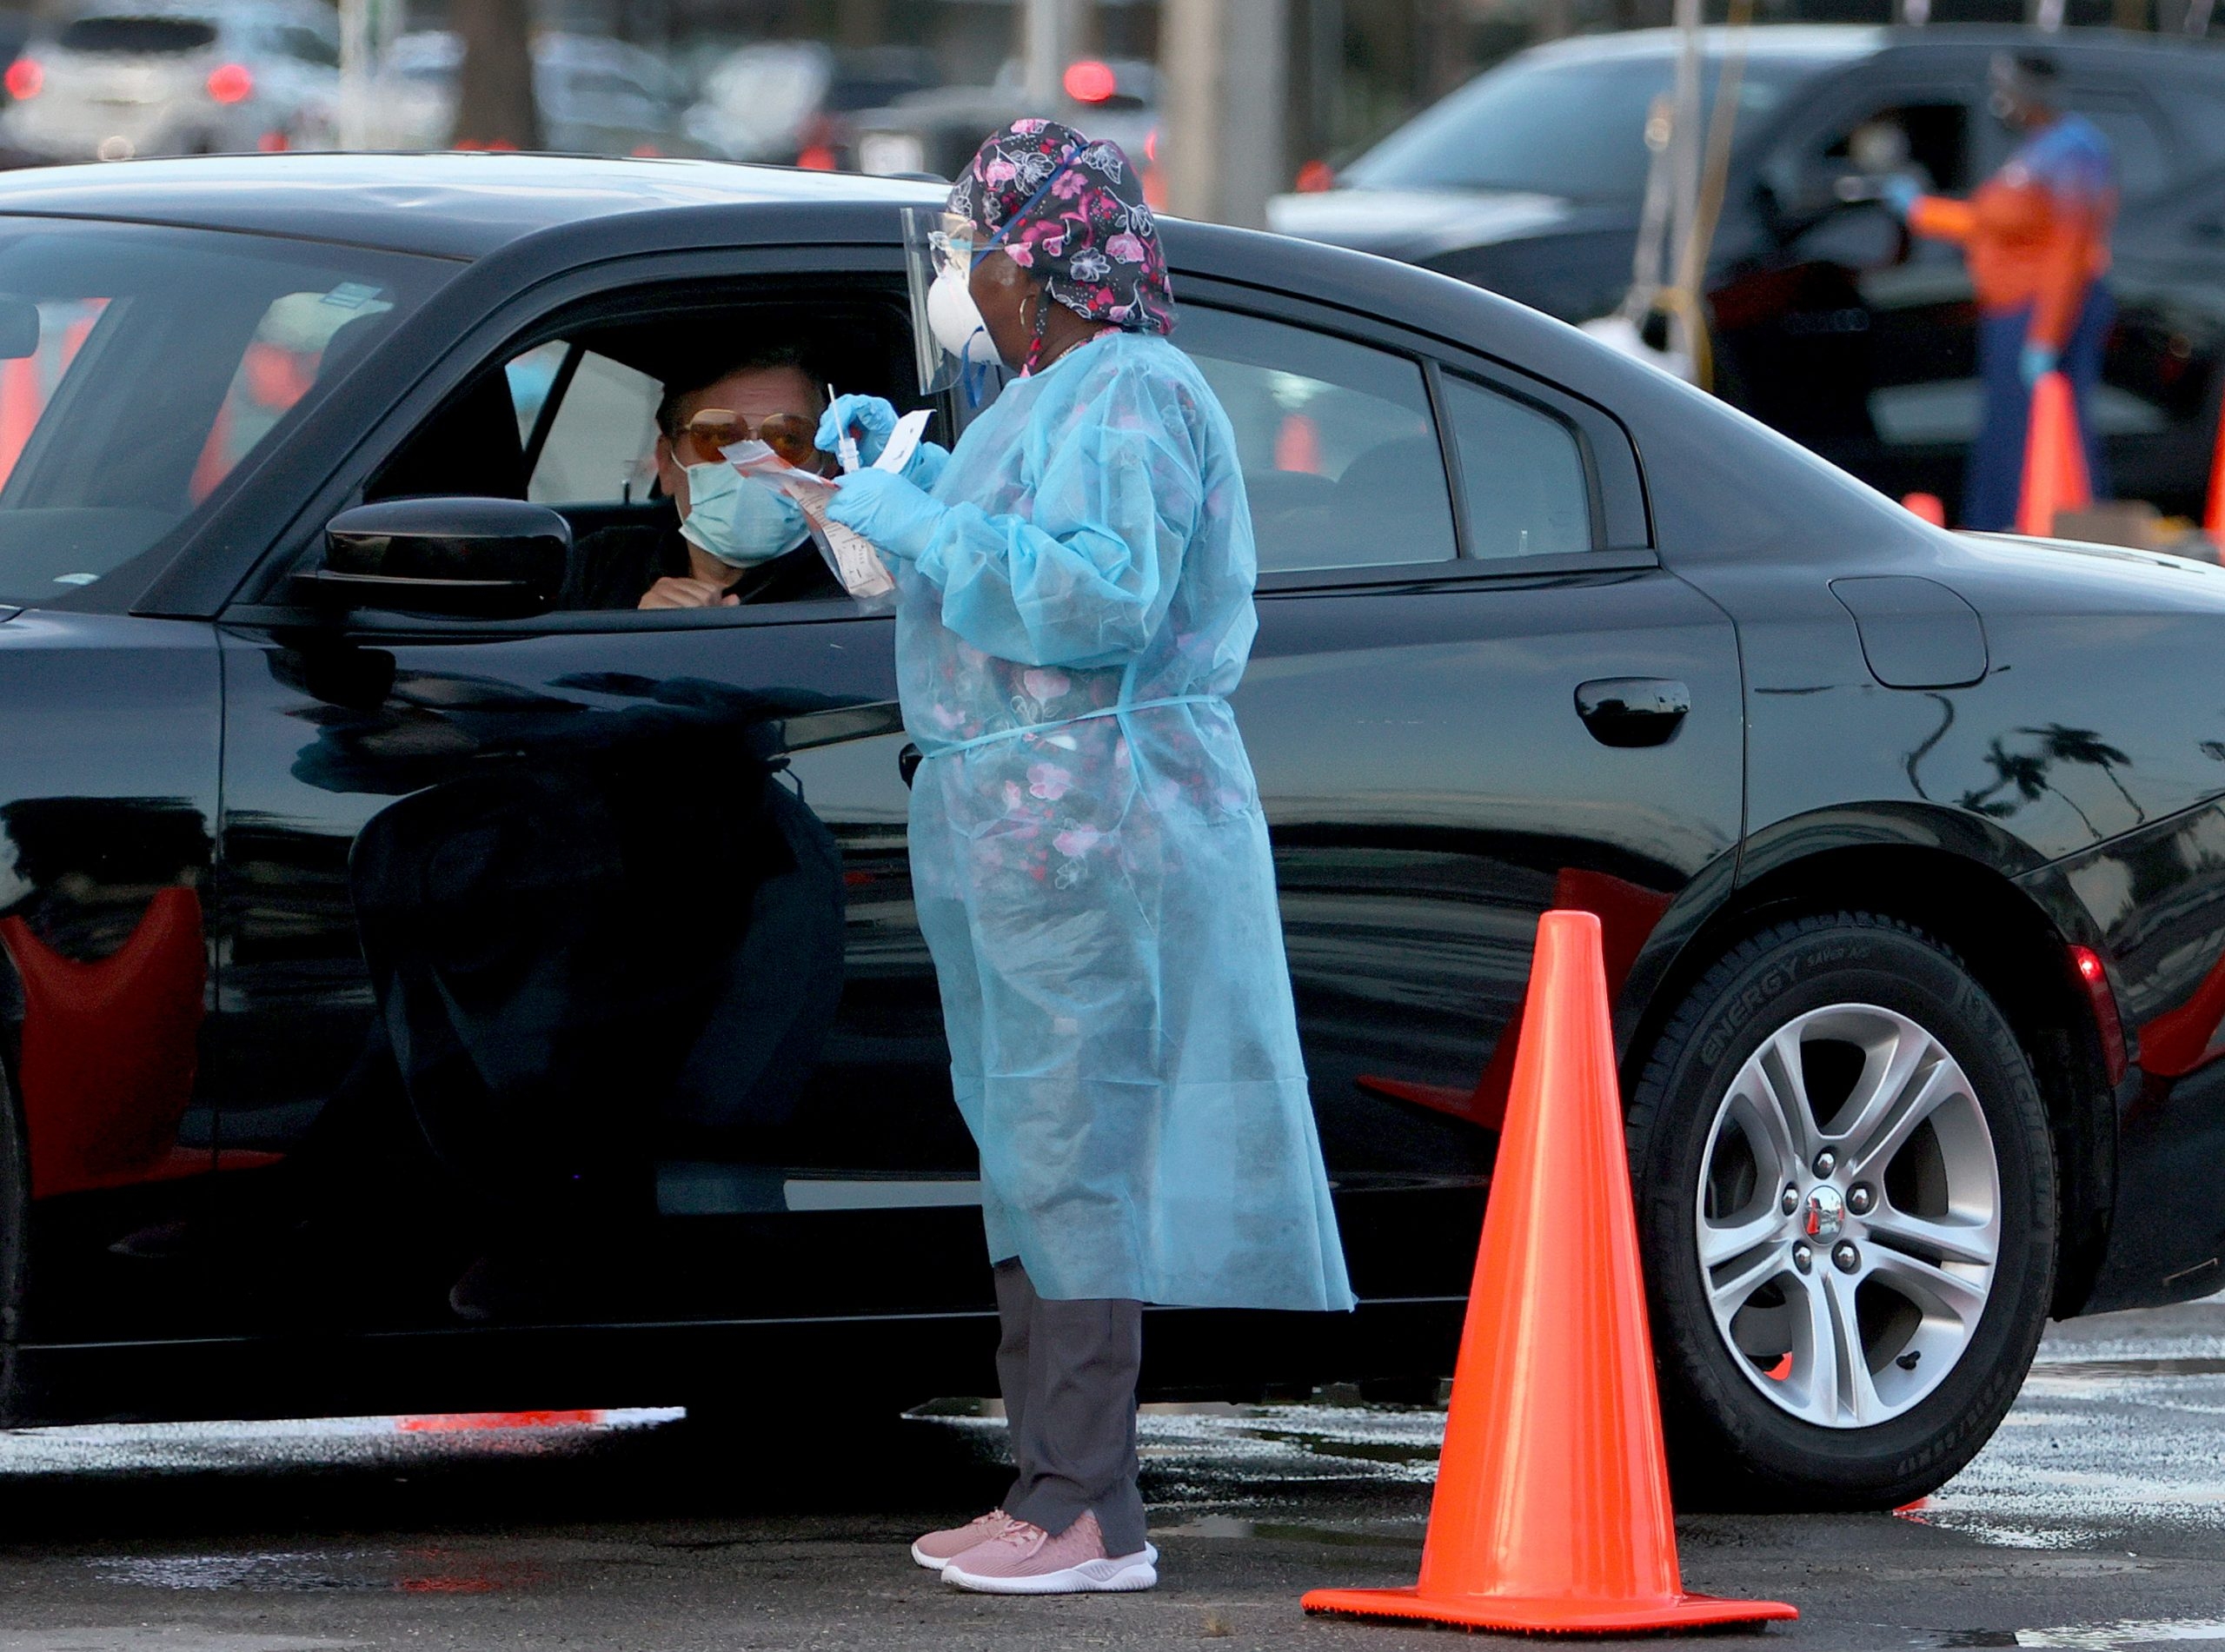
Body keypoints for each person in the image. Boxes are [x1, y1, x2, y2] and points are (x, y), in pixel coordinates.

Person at [820, 120, 1354, 1596]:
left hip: (1100, 829)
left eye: (970, 246)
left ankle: (1088, 1506)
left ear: (1036, 256)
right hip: (1026, 837)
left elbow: (1098, 596)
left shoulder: (1133, 391)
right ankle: (1052, 1486)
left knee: (1079, 1157)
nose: (957, 278)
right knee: (1036, 1159)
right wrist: (885, 496)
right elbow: (971, 569)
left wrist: (918, 517)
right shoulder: (1040, 394)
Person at [1886, 51, 2116, 530]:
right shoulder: (2035, 150)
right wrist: (1923, 211)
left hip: (2040, 310)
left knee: (2043, 431)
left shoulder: (2073, 152)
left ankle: (2059, 530)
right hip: (2015, 309)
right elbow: (1993, 223)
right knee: (2006, 431)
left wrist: (2046, 335)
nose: (1999, 101)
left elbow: (2067, 251)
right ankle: (2000, 524)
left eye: (2006, 89)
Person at [565, 344, 844, 610]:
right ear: (666, 464)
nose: (750, 466)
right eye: (717, 437)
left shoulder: (857, 597)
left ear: (828, 469)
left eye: (788, 440)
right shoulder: (602, 567)